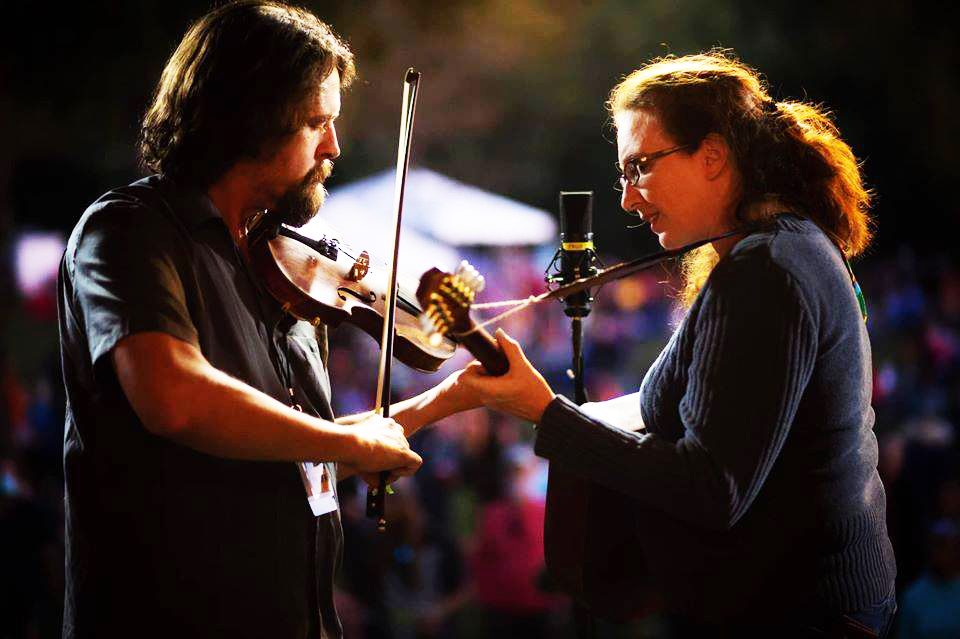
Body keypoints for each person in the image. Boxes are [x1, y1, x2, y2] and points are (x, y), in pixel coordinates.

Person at [57, 2, 476, 637]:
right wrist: (346, 443)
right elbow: (175, 397)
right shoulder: (130, 231)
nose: (333, 146)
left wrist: (455, 397)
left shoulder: (286, 267)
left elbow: (301, 444)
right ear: (246, 117)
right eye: (315, 122)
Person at [460, 51, 898, 637]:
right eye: (623, 173)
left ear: (712, 156)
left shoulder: (767, 268)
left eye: (640, 166)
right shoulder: (778, 246)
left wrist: (546, 413)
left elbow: (711, 488)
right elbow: (680, 412)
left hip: (798, 613)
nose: (627, 198)